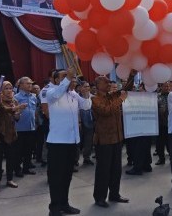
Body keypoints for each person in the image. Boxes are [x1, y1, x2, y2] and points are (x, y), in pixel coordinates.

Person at [46, 68, 91, 216]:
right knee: (56, 177)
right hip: (57, 142)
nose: (70, 78)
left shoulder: (73, 94)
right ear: (56, 80)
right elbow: (56, 94)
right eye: (64, 76)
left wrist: (86, 94)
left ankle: (64, 204)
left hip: (72, 141)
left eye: (70, 77)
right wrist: (67, 79)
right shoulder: (50, 92)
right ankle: (54, 208)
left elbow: (85, 106)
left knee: (67, 175)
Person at [91, 71, 136, 208]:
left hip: (117, 138)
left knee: (116, 169)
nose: (109, 83)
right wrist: (120, 99)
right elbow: (106, 111)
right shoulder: (95, 99)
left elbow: (126, 89)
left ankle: (114, 194)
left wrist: (132, 76)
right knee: (103, 170)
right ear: (98, 85)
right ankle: (99, 197)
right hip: (104, 140)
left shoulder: (111, 96)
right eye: (105, 82)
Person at [0, 81, 25, 189]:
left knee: (11, 157)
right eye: (6, 88)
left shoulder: (14, 101)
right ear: (1, 90)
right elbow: (3, 109)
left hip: (11, 132)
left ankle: (9, 179)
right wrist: (16, 108)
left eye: (10, 88)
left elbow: (16, 118)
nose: (9, 91)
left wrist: (17, 112)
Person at [14, 77, 37, 176]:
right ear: (21, 85)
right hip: (20, 128)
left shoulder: (33, 97)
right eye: (27, 83)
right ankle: (17, 169)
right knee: (18, 151)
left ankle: (26, 168)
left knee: (29, 150)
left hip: (31, 127)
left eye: (31, 83)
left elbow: (34, 111)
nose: (30, 85)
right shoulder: (16, 97)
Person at [155, 82, 172, 165]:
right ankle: (161, 159)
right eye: (165, 86)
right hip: (160, 124)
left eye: (168, 86)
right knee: (159, 143)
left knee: (170, 143)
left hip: (170, 124)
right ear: (161, 87)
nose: (167, 87)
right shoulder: (157, 96)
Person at [79, 81, 95, 166]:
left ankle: (87, 158)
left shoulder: (93, 97)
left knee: (89, 141)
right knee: (78, 142)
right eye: (85, 86)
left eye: (88, 86)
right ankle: (75, 160)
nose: (87, 88)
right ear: (80, 88)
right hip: (80, 122)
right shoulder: (76, 97)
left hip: (90, 121)